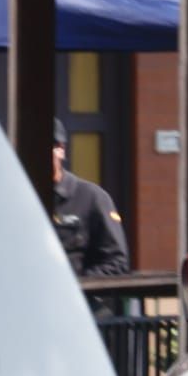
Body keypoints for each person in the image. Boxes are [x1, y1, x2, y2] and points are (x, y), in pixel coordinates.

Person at [51, 118, 130, 277]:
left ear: (60, 149)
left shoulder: (91, 198)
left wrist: (78, 286)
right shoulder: (19, 200)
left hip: (78, 298)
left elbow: (117, 262)